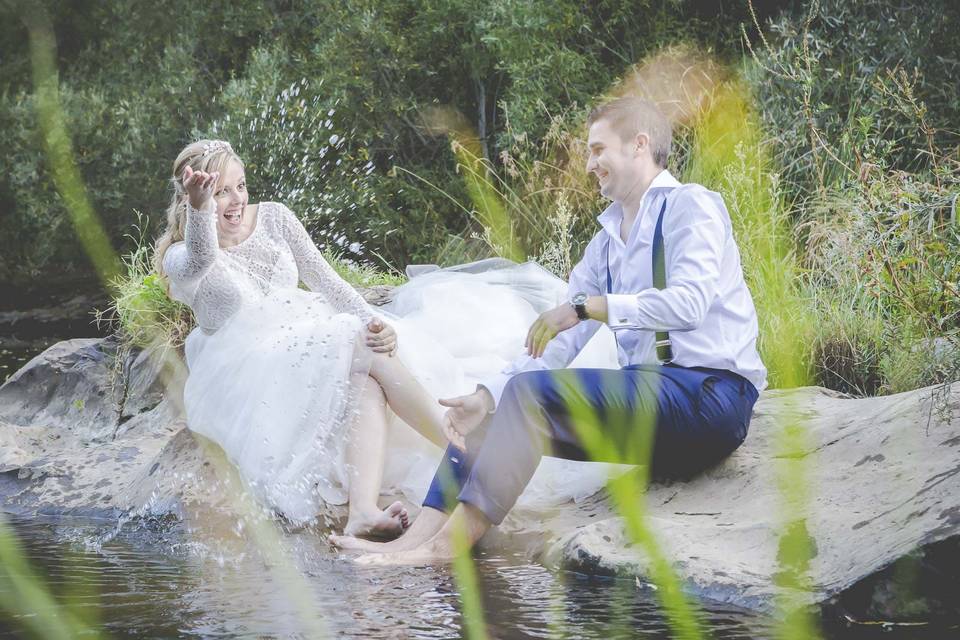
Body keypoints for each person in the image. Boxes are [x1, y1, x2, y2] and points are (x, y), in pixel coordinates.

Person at [341, 97, 768, 563]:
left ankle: (444, 550)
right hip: (656, 416)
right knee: (499, 405)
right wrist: (485, 397)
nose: (589, 164)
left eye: (598, 149)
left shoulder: (691, 206)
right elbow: (557, 344)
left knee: (530, 395)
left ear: (639, 145)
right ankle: (411, 542)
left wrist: (588, 307)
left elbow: (690, 304)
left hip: (711, 397)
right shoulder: (604, 245)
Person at [157, 139, 450, 538]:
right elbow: (202, 260)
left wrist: (374, 322)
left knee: (365, 367)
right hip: (248, 371)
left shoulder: (274, 218)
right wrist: (200, 209)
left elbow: (326, 282)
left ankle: (362, 510)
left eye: (240, 186)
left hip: (303, 336)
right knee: (354, 342)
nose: (235, 200)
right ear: (194, 195)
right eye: (221, 191)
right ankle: (458, 447)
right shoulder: (181, 255)